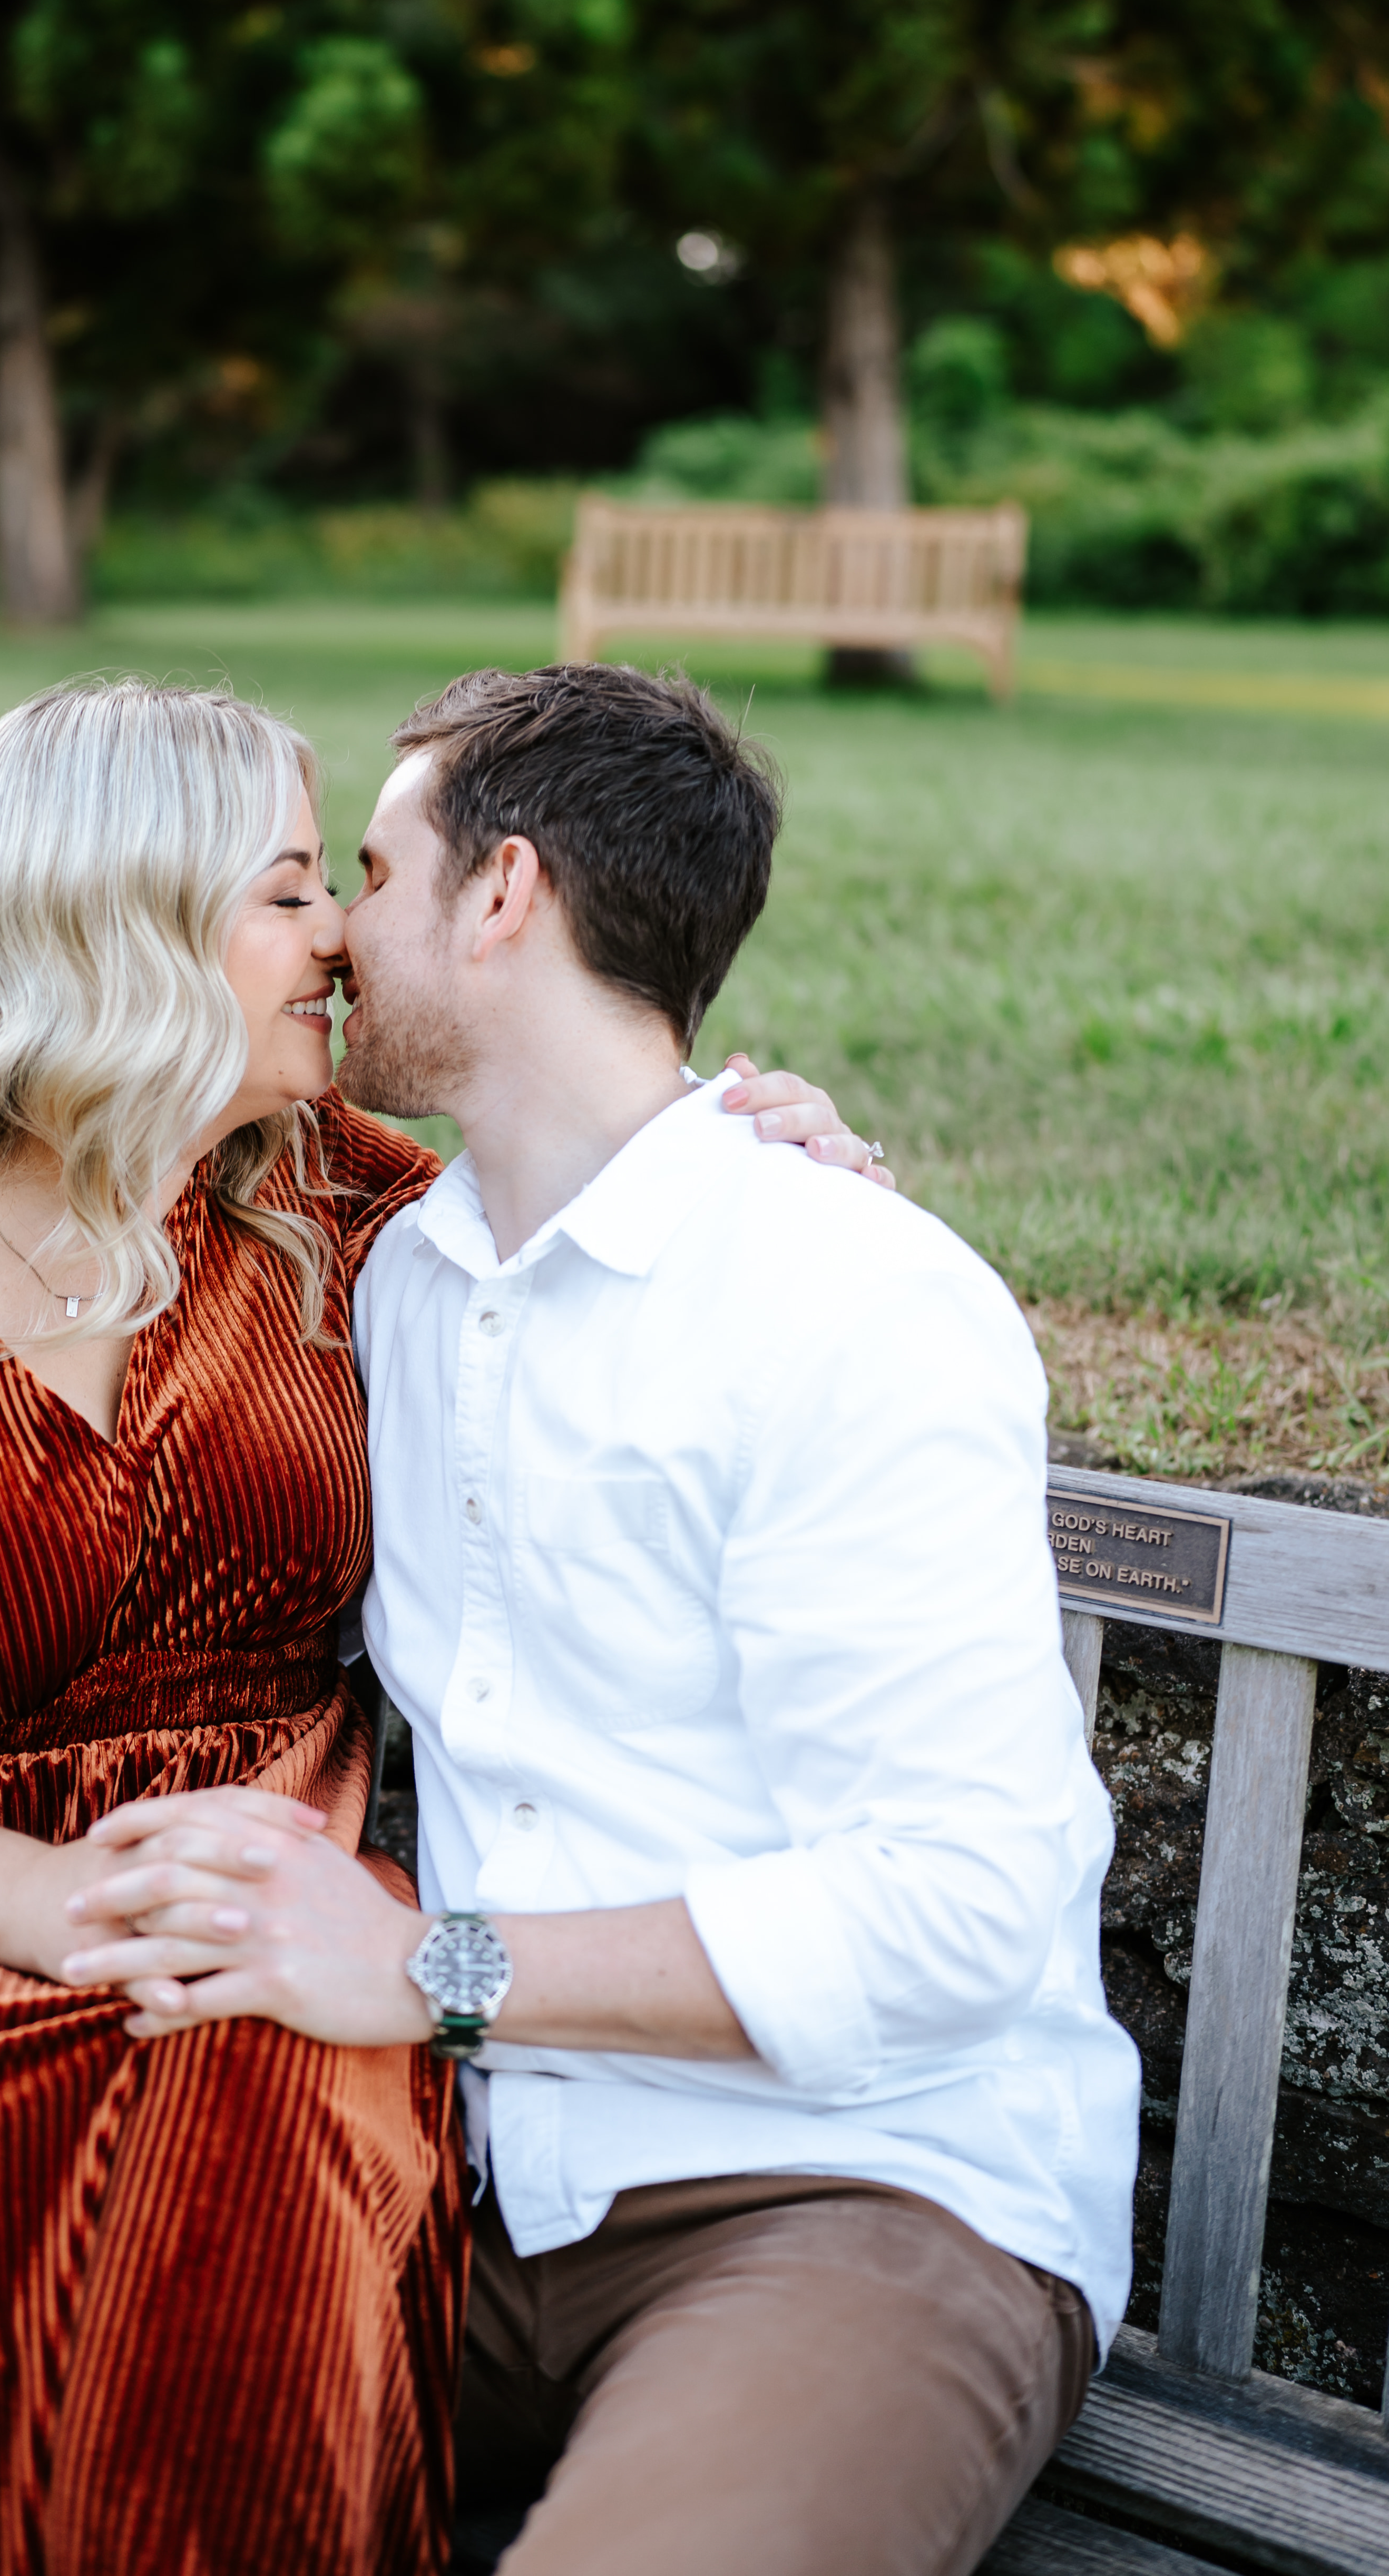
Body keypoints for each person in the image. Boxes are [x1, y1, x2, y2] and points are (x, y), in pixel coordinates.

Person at [0, 676, 875, 2576]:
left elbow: (621, 1194)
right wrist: (48, 1908)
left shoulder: (353, 1210)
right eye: (295, 888)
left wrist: (754, 1154)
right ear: (122, 927)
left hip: (260, 1906)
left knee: (254, 2079)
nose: (345, 938)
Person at [66, 663, 1142, 2576]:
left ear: (503, 897)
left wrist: (429, 1966)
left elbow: (960, 1904)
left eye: (368, 872)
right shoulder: (396, 1275)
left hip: (851, 2198)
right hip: (469, 2191)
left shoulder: (847, 1300)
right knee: (12, 2435)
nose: (325, 936)